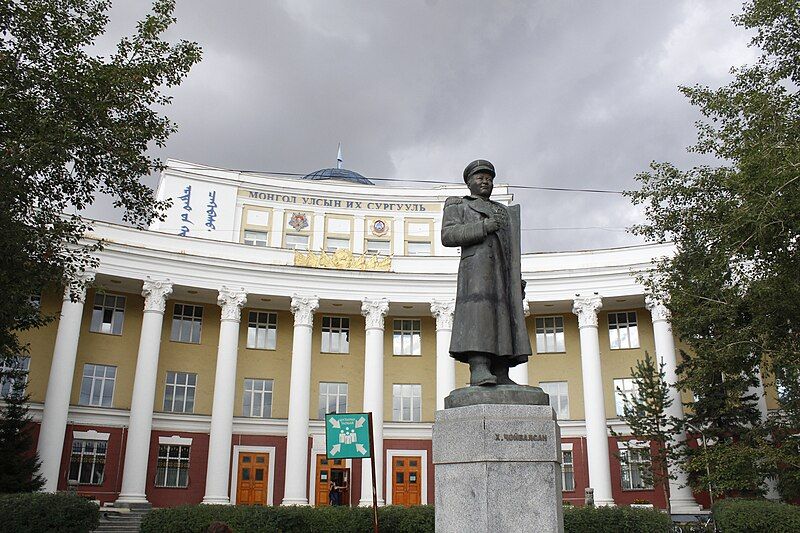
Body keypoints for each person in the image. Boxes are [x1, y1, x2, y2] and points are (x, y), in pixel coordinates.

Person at [441, 159, 531, 386]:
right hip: (477, 271)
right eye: (480, 178)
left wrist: (515, 278)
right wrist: (482, 228)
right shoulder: (458, 205)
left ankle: (501, 371)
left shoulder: (503, 211)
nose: (485, 182)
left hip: (502, 273)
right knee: (479, 316)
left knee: (503, 316)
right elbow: (448, 235)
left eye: (489, 179)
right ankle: (479, 367)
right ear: (469, 182)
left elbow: (510, 247)